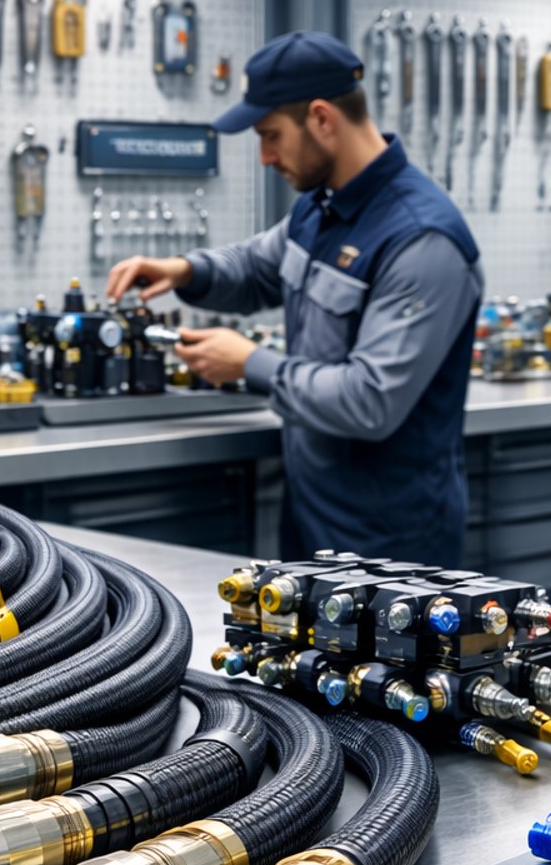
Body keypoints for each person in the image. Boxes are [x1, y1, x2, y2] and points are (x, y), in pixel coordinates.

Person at [105, 31, 484, 566]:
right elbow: (258, 268)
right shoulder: (320, 208)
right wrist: (184, 270)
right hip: (314, 525)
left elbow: (370, 399)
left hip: (395, 548)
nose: (264, 157)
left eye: (271, 135)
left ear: (323, 119)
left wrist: (249, 363)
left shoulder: (421, 239)